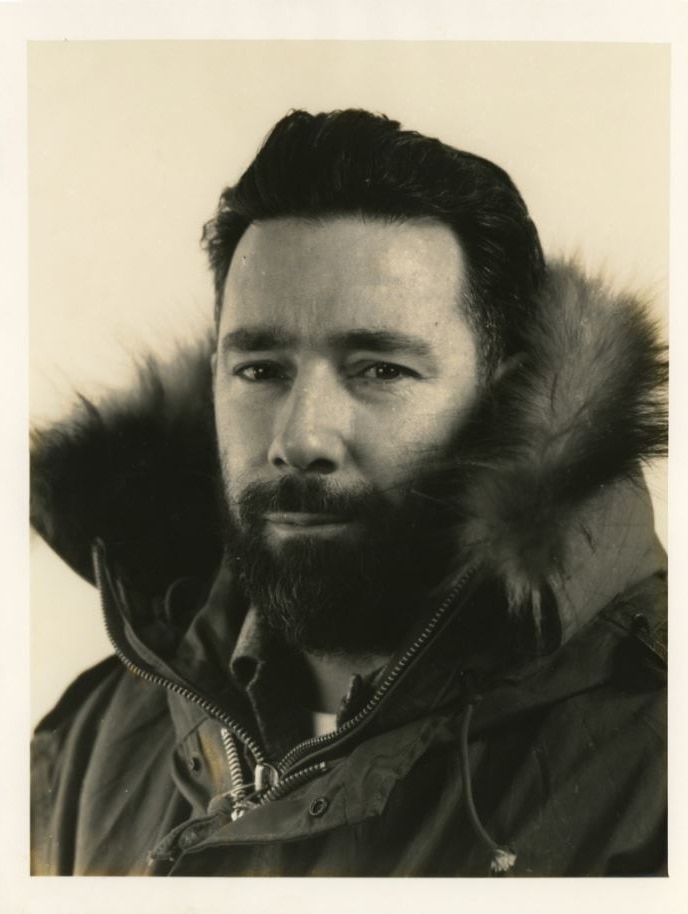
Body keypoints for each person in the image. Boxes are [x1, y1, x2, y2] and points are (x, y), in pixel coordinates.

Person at [30, 108, 667, 877]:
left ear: (508, 401)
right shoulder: (92, 748)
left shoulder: (656, 754)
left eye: (379, 370)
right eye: (260, 369)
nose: (299, 438)